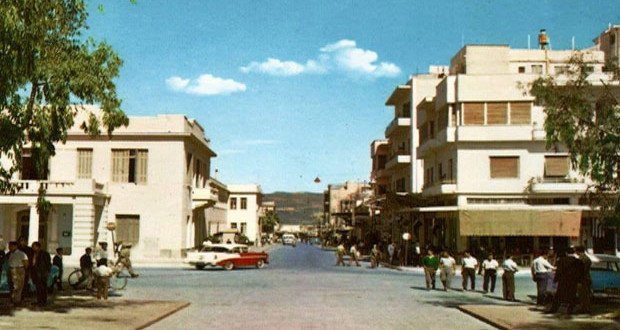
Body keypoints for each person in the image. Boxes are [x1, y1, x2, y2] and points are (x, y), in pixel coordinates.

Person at [549, 248, 582, 314]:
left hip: (563, 281)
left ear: (566, 253)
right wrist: (579, 281)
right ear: (574, 253)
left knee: (558, 295)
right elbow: (580, 273)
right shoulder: (578, 262)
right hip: (573, 281)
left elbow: (559, 271)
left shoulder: (562, 260)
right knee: (572, 295)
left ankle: (554, 309)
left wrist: (555, 279)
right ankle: (570, 310)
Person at [30, 241, 51, 306]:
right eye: (32, 246)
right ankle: (39, 301)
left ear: (38, 247)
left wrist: (46, 272)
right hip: (35, 273)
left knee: (43, 288)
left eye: (34, 246)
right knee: (38, 288)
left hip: (42, 273)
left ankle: (43, 301)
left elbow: (48, 264)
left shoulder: (44, 254)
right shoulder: (33, 253)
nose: (33, 248)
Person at [7, 241, 28, 305]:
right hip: (12, 269)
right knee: (14, 285)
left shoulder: (21, 253)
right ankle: (14, 299)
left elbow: (26, 262)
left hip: (18, 269)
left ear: (15, 246)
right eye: (9, 246)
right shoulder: (11, 253)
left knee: (18, 286)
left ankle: (17, 301)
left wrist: (22, 269)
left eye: (11, 246)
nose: (9, 248)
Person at [575, 246, 592, 313]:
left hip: (582, 279)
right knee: (586, 295)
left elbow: (580, 270)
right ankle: (586, 308)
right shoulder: (587, 258)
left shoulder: (581, 258)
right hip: (586, 278)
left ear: (578, 251)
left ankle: (584, 309)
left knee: (582, 295)